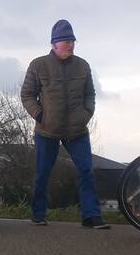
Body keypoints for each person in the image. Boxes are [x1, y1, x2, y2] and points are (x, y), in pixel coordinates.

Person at [20, 19, 108, 228]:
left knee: (86, 171)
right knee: (43, 173)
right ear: (53, 44)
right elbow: (27, 95)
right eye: (65, 41)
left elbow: (90, 95)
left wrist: (86, 114)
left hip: (77, 130)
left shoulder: (82, 65)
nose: (70, 44)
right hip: (47, 130)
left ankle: (91, 216)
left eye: (72, 40)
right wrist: (40, 115)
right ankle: (38, 214)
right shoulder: (38, 65)